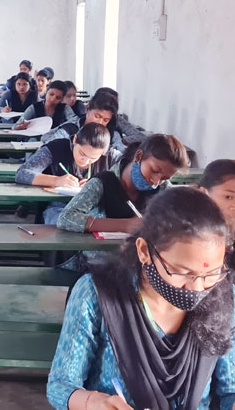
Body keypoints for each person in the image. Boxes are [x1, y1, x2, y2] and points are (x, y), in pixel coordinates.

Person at [47, 187, 235, 410]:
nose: (197, 288)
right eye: (182, 272)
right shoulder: (97, 295)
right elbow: (60, 385)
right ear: (144, 251)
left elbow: (230, 389)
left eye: (211, 274)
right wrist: (93, 403)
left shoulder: (224, 298)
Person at [57, 134, 189, 236]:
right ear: (138, 156)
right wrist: (125, 225)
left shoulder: (163, 188)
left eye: (164, 178)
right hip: (100, 259)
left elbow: (184, 215)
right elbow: (66, 218)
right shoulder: (102, 183)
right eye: (154, 171)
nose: (156, 182)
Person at [15, 123, 112, 225]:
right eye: (82, 154)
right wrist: (57, 180)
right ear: (75, 140)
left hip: (93, 209)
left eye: (93, 158)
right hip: (59, 207)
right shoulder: (56, 148)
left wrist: (96, 185)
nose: (85, 161)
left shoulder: (111, 157)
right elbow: (22, 173)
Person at [42, 90, 121, 150]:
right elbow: (46, 146)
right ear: (87, 109)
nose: (100, 122)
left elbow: (121, 152)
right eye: (97, 116)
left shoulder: (112, 134)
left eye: (106, 120)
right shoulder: (71, 129)